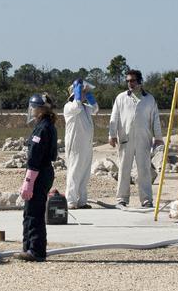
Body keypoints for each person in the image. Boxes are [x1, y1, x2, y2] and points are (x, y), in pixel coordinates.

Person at [107, 69, 163, 207]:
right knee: (124, 169)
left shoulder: (149, 99)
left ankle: (146, 200)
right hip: (125, 138)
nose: (130, 83)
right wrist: (112, 135)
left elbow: (155, 119)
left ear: (139, 81)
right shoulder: (121, 98)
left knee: (143, 170)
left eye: (132, 80)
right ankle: (122, 199)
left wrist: (158, 137)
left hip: (144, 139)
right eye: (128, 81)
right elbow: (114, 117)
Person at [17, 92, 58, 261]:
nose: (31, 110)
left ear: (41, 109)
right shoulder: (46, 125)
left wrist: (29, 180)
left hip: (39, 172)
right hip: (43, 171)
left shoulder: (42, 128)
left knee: (34, 212)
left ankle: (36, 250)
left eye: (34, 107)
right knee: (30, 211)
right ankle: (28, 247)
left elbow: (35, 155)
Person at [63, 80, 99, 209]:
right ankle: (71, 201)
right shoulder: (69, 106)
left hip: (86, 145)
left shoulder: (85, 108)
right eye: (83, 91)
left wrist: (89, 96)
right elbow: (76, 106)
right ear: (76, 92)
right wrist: (77, 91)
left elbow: (95, 109)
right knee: (75, 172)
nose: (85, 93)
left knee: (85, 173)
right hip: (75, 146)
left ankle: (82, 200)